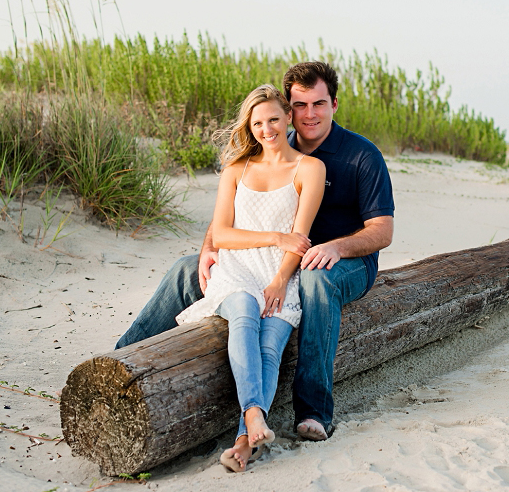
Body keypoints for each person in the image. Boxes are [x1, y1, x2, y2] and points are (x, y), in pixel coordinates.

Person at [116, 61, 395, 443]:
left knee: (315, 280)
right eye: (300, 105)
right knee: (185, 269)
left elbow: (383, 231)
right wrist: (207, 249)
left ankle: (314, 409)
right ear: (288, 109)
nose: (309, 114)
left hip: (345, 262)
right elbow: (232, 214)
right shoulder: (276, 143)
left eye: (318, 104)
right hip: (267, 260)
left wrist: (336, 246)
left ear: (334, 104)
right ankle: (120, 358)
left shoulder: (361, 155)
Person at [175, 84, 326, 472]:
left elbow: (301, 236)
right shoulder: (236, 169)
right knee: (243, 310)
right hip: (238, 267)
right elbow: (222, 234)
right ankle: (254, 415)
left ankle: (244, 440)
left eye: (273, 119)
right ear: (249, 125)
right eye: (257, 122)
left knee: (270, 347)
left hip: (281, 274)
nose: (266, 129)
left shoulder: (310, 168)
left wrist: (278, 280)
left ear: (288, 117)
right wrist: (275, 237)